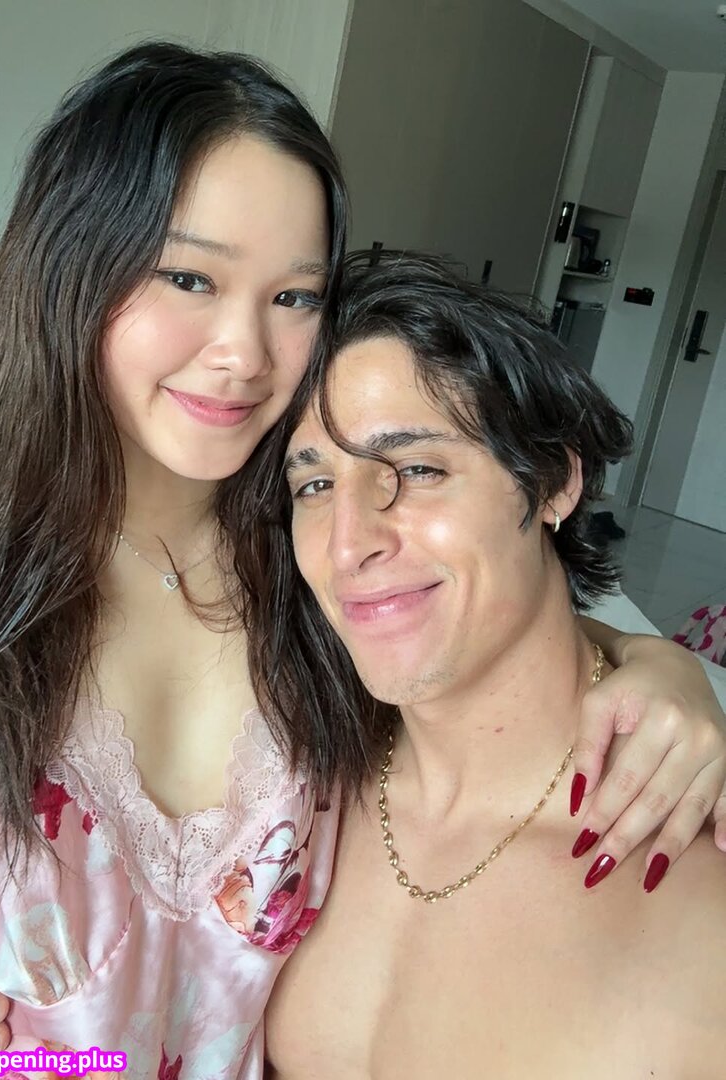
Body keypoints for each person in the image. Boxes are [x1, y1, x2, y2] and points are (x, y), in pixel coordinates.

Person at [0, 45, 723, 1080]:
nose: (245, 353)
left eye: (295, 296)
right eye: (190, 277)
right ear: (73, 267)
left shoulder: (308, 561)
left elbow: (484, 612)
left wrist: (664, 669)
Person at [221, 252, 726, 1077]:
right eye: (314, 487)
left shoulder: (701, 901)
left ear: (553, 481)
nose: (348, 546)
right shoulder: (289, 791)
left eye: (417, 469)